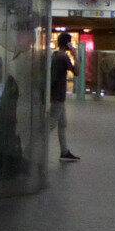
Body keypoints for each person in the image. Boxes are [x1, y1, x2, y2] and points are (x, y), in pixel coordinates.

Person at [48, 32, 79, 161]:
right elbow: (76, 72)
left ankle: (64, 151)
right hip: (58, 96)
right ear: (67, 44)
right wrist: (75, 55)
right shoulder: (63, 57)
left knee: (62, 124)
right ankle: (33, 147)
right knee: (51, 124)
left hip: (56, 95)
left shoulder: (55, 55)